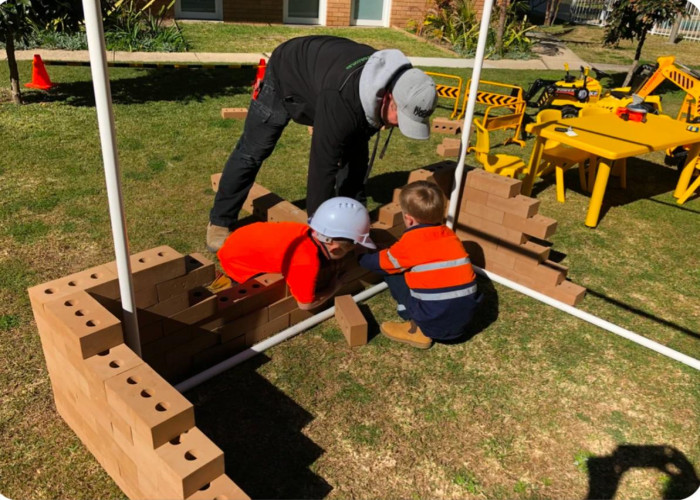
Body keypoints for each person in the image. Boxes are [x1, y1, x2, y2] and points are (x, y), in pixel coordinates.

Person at [206, 35, 438, 252]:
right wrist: (321, 231)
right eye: (402, 118)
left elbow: (356, 160)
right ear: (387, 97)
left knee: (353, 151)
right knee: (253, 151)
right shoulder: (342, 100)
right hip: (286, 72)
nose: (398, 126)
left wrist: (355, 223)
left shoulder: (395, 85)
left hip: (324, 79)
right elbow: (322, 167)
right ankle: (220, 220)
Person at [358, 181, 482, 349]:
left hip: (433, 324)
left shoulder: (411, 243)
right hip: (465, 320)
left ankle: (414, 325)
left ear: (408, 219)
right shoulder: (449, 235)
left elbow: (379, 263)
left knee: (391, 272)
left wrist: (360, 256)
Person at [217, 197, 375, 310]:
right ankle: (235, 278)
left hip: (240, 239)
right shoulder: (305, 262)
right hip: (236, 262)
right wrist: (333, 288)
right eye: (351, 248)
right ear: (335, 248)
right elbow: (305, 305)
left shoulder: (308, 231)